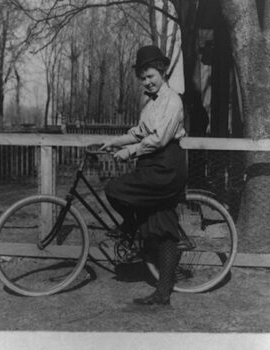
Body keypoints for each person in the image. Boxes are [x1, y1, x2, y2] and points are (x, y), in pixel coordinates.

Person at [100, 45, 187, 306]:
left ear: (161, 72)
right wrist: (115, 142)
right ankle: (162, 294)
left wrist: (130, 152)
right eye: (143, 78)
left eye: (150, 76)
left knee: (115, 188)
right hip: (152, 165)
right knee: (163, 228)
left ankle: (129, 225)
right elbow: (140, 131)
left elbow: (159, 139)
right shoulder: (151, 104)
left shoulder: (172, 100)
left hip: (165, 166)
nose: (146, 82)